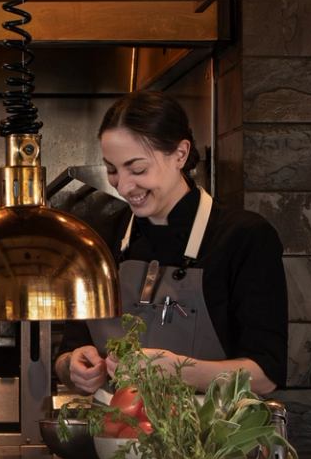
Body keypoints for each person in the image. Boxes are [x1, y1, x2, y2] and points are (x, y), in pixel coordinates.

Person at [55, 91, 288, 397]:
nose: (124, 186)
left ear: (180, 154)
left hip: (208, 439)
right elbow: (66, 353)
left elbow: (266, 375)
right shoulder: (99, 239)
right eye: (112, 170)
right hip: (115, 438)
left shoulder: (244, 237)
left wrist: (179, 369)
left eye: (138, 169)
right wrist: (74, 364)